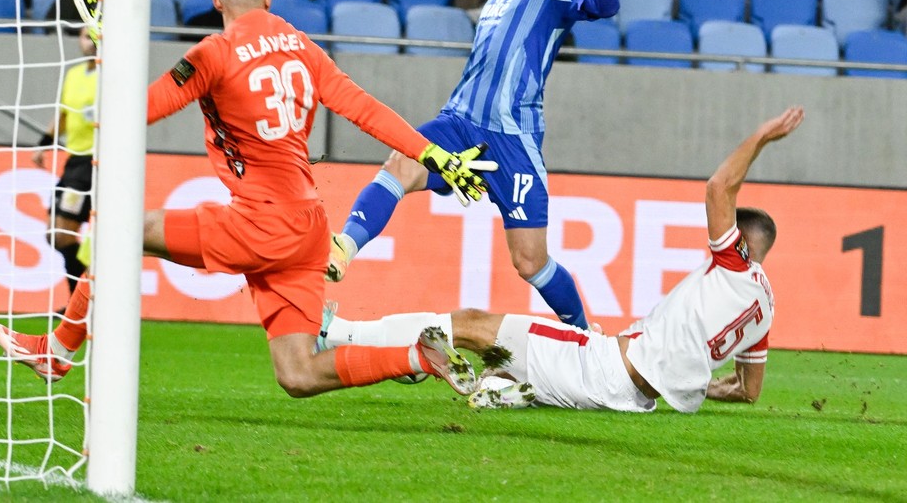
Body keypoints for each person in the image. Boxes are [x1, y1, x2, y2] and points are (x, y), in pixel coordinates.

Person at [0, 0, 497, 398]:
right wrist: (432, 154)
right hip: (308, 228)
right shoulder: (303, 46)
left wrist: (111, 52)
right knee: (298, 374)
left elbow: (137, 111)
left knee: (122, 232)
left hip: (260, 222)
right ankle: (417, 357)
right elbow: (366, 110)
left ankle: (58, 349)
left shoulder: (214, 53)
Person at [322, 107, 805, 412]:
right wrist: (697, 387)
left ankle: (338, 332)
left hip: (605, 365)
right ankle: (504, 390)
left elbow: (720, 187)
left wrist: (761, 138)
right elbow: (748, 390)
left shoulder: (735, 263)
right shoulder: (764, 310)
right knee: (509, 360)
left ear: (743, 242)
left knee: (470, 324)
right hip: (635, 399)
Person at [328, 0, 620, 331]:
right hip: (460, 121)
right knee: (400, 164)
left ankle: (584, 336)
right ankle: (343, 248)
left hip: (512, 138)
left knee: (529, 262)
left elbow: (605, 5)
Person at [31, 29, 98, 300]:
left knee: (61, 235)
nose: (91, 41)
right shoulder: (74, 75)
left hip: (94, 163)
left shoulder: (112, 76)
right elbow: (63, 114)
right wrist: (44, 143)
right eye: (85, 36)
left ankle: (81, 303)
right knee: (53, 234)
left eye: (96, 36)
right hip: (74, 162)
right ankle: (84, 301)